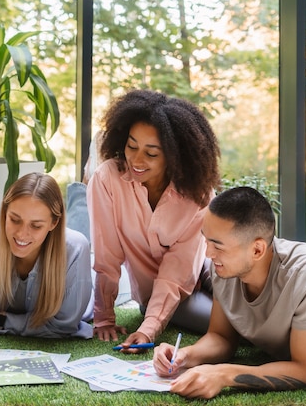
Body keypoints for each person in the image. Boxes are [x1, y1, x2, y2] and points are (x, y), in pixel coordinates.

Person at [152, 187, 306, 399]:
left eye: (218, 246)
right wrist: (185, 355)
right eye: (206, 240)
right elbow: (221, 337)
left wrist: (223, 374)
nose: (208, 254)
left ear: (257, 250)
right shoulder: (224, 268)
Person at [88, 89, 221, 350]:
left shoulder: (198, 193)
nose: (136, 160)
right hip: (170, 294)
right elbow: (107, 257)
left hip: (204, 267)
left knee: (251, 301)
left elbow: (181, 267)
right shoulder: (107, 180)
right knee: (229, 323)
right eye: (131, 146)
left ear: (174, 156)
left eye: (151, 153)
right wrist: (105, 318)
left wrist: (148, 330)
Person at [0, 172, 93, 361]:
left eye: (36, 226)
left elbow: (62, 326)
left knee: (86, 219)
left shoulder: (75, 250)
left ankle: (87, 180)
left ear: (54, 223)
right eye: (15, 220)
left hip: (93, 281)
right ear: (4, 213)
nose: (21, 234)